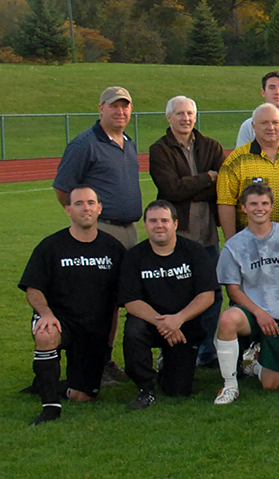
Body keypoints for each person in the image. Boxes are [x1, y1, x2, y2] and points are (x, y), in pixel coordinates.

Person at [21, 186, 127, 425]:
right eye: (78, 203)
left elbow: (120, 300)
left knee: (83, 396)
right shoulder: (50, 246)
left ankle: (47, 382)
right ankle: (50, 406)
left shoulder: (114, 250)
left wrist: (109, 339)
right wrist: (46, 314)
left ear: (99, 209)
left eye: (91, 203)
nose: (85, 208)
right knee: (47, 333)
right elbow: (33, 288)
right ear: (68, 209)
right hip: (59, 321)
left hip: (92, 331)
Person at [147, 95, 226, 368]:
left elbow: (221, 185)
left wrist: (191, 185)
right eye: (179, 113)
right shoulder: (159, 150)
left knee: (212, 292)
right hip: (176, 235)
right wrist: (206, 178)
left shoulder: (211, 146)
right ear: (168, 117)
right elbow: (171, 189)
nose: (186, 118)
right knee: (174, 293)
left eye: (190, 113)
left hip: (207, 234)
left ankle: (207, 350)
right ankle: (169, 349)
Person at [211, 184, 279, 405]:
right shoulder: (235, 245)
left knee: (271, 385)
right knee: (227, 319)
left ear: (272, 206)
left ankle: (256, 364)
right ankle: (229, 385)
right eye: (253, 204)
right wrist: (259, 313)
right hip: (253, 315)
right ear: (243, 208)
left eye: (264, 203)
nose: (259, 208)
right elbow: (232, 288)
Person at [117, 201, 216, 409]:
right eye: (153, 221)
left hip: (184, 325)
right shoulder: (134, 256)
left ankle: (167, 368)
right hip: (150, 323)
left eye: (164, 220)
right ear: (145, 225)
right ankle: (145, 388)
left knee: (178, 390)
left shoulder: (194, 251)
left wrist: (178, 319)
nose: (159, 225)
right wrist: (163, 323)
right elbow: (131, 301)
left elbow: (207, 295)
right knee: (134, 330)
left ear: (175, 223)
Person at [56, 86, 142, 247]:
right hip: (102, 229)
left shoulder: (129, 143)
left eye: (124, 107)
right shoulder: (84, 145)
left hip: (130, 230)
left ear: (131, 109)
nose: (120, 112)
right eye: (113, 106)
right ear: (101, 109)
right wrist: (84, 219)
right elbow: (62, 188)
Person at [217, 103, 279, 241]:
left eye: (275, 122)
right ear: (253, 126)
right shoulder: (236, 161)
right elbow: (226, 203)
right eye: (264, 123)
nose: (271, 128)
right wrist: (231, 241)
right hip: (251, 240)